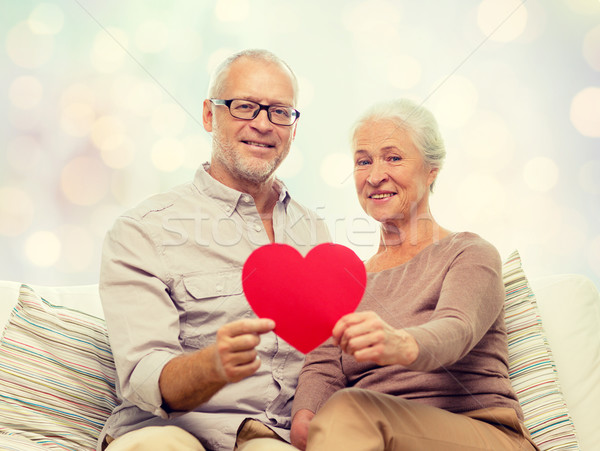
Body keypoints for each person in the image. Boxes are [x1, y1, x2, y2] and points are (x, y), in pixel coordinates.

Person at [246, 98, 539, 451]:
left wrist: (401, 343)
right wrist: (305, 417)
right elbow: (323, 367)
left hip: (479, 432)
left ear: (432, 169)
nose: (374, 175)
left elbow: (457, 328)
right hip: (369, 435)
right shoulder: (345, 281)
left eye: (393, 157)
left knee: (350, 410)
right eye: (363, 161)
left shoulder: (470, 253)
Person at [97, 49, 330, 451]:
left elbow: (327, 362)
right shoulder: (143, 231)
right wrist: (211, 367)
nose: (262, 124)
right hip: (167, 430)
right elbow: (142, 375)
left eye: (279, 112)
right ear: (209, 115)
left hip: (269, 436)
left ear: (293, 127)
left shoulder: (317, 234)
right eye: (244, 107)